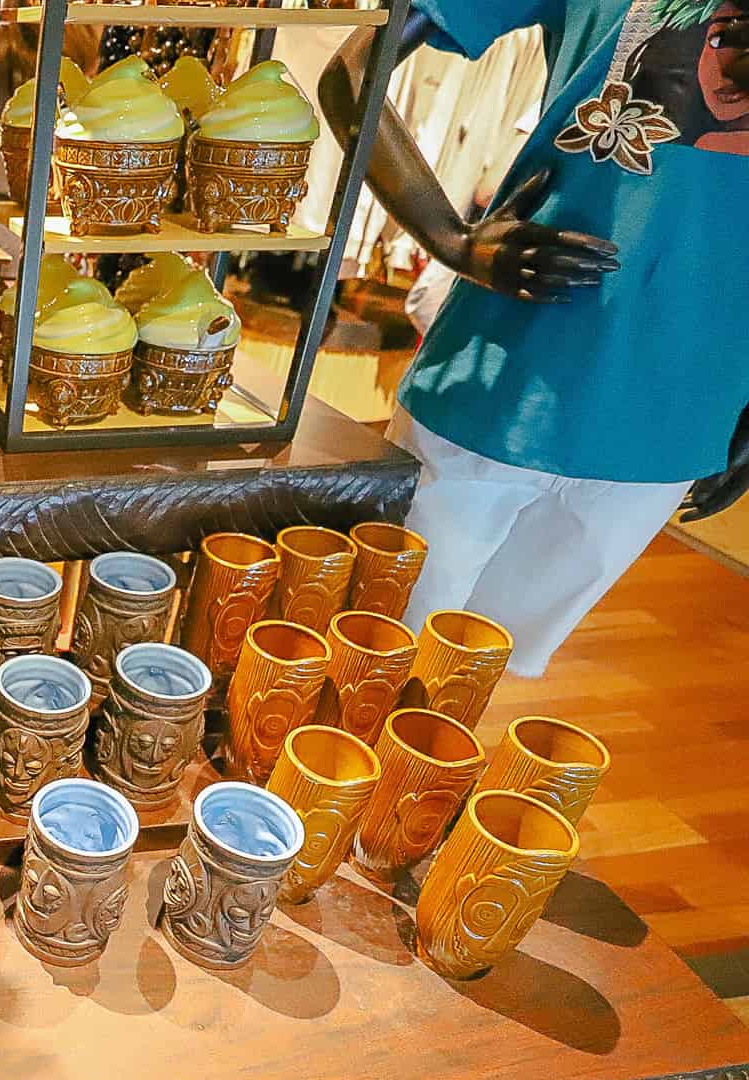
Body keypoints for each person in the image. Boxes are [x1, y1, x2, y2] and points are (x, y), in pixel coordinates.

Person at [321, 1, 749, 678]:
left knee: (468, 683)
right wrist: (450, 240)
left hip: (678, 424)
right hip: (500, 385)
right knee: (363, 649)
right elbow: (353, 73)